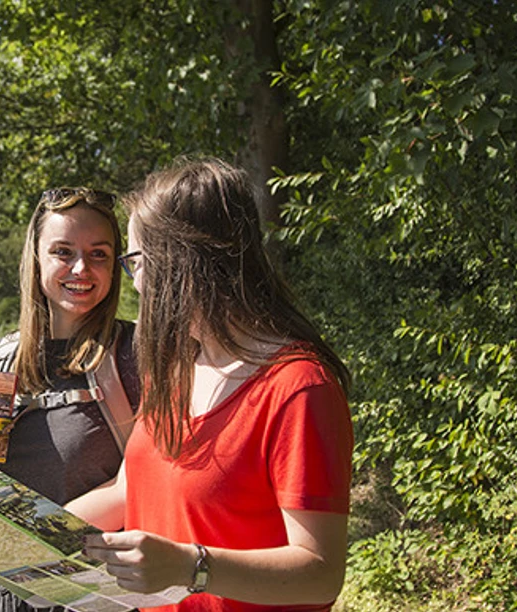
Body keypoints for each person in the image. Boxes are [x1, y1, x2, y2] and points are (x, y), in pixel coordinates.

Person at [67, 158, 354, 611]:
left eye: (136, 261)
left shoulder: (298, 387)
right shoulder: (178, 368)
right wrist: (11, 541)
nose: (134, 280)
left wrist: (190, 567)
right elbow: (128, 491)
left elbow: (320, 574)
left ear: (184, 263)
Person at [0, 187, 142, 612]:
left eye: (99, 254)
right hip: (10, 595)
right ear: (36, 258)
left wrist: (34, 542)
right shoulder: (2, 356)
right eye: (63, 251)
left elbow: (144, 482)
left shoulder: (136, 353)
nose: (81, 268)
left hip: (97, 595)